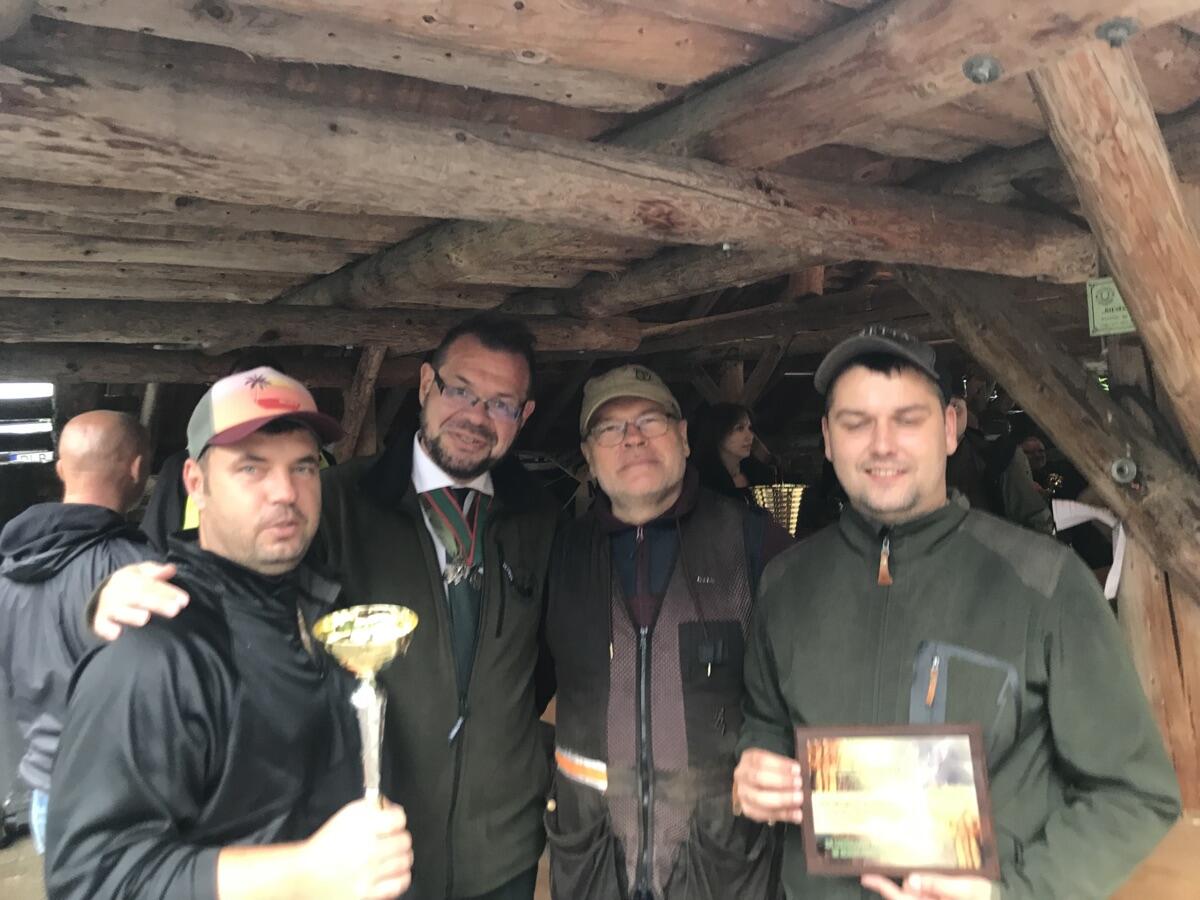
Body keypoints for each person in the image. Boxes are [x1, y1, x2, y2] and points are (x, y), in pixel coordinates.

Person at [93, 315, 560, 900]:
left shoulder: (541, 519)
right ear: (425, 385)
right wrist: (128, 587)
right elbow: (244, 576)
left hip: (504, 850)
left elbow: (547, 657)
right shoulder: (331, 503)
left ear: (525, 415)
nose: (476, 415)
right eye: (460, 390)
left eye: (501, 403)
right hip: (369, 853)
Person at [732, 326, 1181, 900]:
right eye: (856, 422)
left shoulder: (1045, 582)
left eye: (907, 419)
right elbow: (766, 720)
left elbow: (1135, 794)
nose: (882, 444)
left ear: (950, 427)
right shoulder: (787, 584)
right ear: (827, 438)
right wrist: (757, 763)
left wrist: (1011, 894)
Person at [45, 368, 413, 900]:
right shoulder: (154, 649)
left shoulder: (324, 605)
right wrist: (305, 873)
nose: (285, 492)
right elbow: (90, 877)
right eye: (251, 467)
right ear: (196, 483)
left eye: (303, 466)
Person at [545, 365, 791, 899]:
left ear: (682, 437)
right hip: (593, 860)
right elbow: (506, 695)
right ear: (588, 456)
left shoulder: (754, 542)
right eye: (610, 428)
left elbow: (808, 692)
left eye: (649, 420)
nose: (632, 438)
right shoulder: (559, 555)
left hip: (720, 864)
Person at [0, 411, 153, 855]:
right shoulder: (139, 570)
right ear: (137, 469)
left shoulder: (7, 572)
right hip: (124, 799)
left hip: (46, 794)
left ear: (61, 469)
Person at [691, 402, 774, 505]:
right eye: (739, 428)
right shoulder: (705, 486)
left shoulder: (756, 472)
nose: (750, 436)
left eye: (749, 428)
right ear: (719, 432)